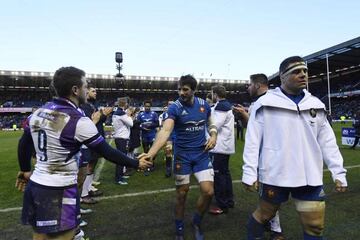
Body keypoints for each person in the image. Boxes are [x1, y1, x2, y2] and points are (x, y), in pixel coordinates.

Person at [15, 66, 152, 240]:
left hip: (37, 185)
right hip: (60, 188)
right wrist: (136, 163)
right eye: (85, 85)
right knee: (67, 236)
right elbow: (106, 151)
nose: (87, 89)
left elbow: (24, 143)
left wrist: (25, 169)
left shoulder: (38, 112)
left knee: (40, 237)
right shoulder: (77, 120)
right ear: (75, 90)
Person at [242, 56, 348, 240]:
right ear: (282, 77)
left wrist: (339, 173)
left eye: (305, 71)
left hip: (309, 176)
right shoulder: (265, 103)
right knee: (264, 216)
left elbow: (328, 142)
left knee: (315, 226)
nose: (303, 75)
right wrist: (249, 173)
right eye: (296, 71)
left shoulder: (316, 104)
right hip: (275, 173)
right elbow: (252, 140)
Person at [139, 74, 217, 240]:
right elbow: (166, 131)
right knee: (182, 194)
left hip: (201, 154)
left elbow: (211, 121)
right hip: (182, 156)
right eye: (179, 89)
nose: (181, 92)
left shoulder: (204, 105)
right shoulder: (174, 107)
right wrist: (151, 154)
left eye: (185, 89)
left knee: (208, 192)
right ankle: (179, 228)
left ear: (194, 90)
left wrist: (214, 134)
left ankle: (196, 221)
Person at [234, 73, 285, 239]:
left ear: (257, 85)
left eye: (249, 84)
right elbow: (256, 128)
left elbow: (261, 133)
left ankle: (275, 229)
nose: (248, 88)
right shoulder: (263, 101)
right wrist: (244, 114)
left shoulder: (268, 101)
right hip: (270, 156)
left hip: (271, 158)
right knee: (268, 197)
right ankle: (274, 227)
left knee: (271, 197)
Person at [80, 86, 113, 203]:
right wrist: (102, 115)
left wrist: (105, 115)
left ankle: (88, 189)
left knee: (92, 164)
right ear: (86, 92)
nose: (95, 93)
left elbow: (99, 120)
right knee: (87, 166)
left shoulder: (92, 105)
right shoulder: (84, 105)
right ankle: (83, 194)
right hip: (90, 139)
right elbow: (90, 121)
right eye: (93, 91)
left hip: (96, 137)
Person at [207, 85, 235, 215]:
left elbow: (215, 125)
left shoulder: (221, 106)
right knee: (225, 174)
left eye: (212, 93)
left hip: (219, 147)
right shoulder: (224, 105)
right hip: (224, 146)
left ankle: (222, 205)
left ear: (215, 94)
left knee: (219, 176)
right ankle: (229, 201)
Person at [112, 98, 135, 184]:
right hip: (122, 139)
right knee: (121, 158)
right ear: (125, 104)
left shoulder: (116, 112)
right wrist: (129, 115)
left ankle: (120, 174)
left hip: (119, 137)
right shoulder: (121, 113)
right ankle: (118, 178)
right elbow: (131, 124)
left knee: (121, 157)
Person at [137, 100, 159, 175]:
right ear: (144, 106)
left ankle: (152, 163)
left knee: (154, 152)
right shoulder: (140, 115)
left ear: (150, 107)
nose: (147, 107)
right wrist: (143, 128)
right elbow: (138, 125)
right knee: (146, 151)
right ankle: (147, 166)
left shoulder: (154, 114)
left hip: (152, 135)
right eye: (146, 106)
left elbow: (157, 124)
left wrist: (150, 126)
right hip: (144, 135)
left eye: (148, 106)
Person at [158, 101, 175, 177]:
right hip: (169, 136)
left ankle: (180, 169)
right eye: (169, 105)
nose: (170, 106)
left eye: (172, 105)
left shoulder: (179, 112)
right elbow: (162, 125)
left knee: (179, 153)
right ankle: (168, 169)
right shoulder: (165, 114)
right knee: (168, 151)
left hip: (178, 135)